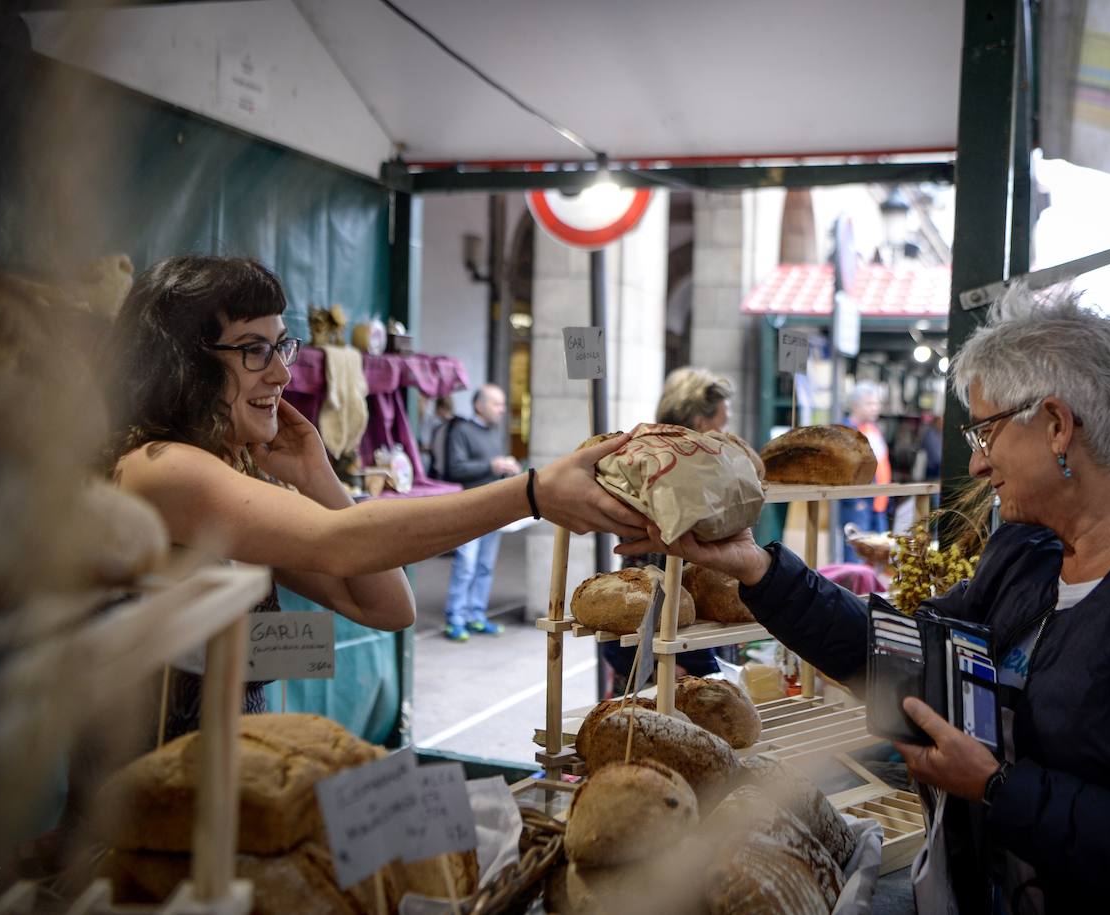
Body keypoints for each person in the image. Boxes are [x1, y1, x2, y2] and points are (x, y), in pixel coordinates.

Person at [621, 288, 1110, 913]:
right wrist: (758, 569)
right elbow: (904, 659)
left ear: (1058, 425)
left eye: (984, 431)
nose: (976, 462)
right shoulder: (1028, 554)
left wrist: (1000, 789)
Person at [106, 256, 646, 736]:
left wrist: (319, 478)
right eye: (253, 351)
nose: (282, 372)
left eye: (280, 347)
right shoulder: (160, 467)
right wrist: (532, 493)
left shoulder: (230, 471)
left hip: (220, 800)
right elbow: (340, 543)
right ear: (184, 363)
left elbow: (387, 606)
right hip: (146, 809)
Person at [601, 368, 733, 694]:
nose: (725, 430)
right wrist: (662, 666)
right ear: (702, 422)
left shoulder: (643, 453)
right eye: (722, 421)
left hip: (669, 632)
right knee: (655, 726)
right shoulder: (689, 469)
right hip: (669, 637)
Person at [436, 384, 520, 641]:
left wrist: (506, 466)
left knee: (485, 566)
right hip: (469, 508)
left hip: (493, 508)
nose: (502, 410)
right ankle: (455, 619)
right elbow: (455, 469)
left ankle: (476, 616)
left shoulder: (494, 432)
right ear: (479, 405)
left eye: (502, 404)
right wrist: (492, 465)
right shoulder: (460, 430)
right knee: (466, 564)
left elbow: (489, 467)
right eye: (496, 404)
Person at [840, 381, 892, 560]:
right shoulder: (846, 432)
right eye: (870, 404)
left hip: (879, 503)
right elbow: (845, 468)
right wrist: (856, 499)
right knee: (856, 557)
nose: (875, 408)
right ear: (856, 405)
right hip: (860, 504)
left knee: (878, 557)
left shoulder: (873, 430)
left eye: (876, 403)